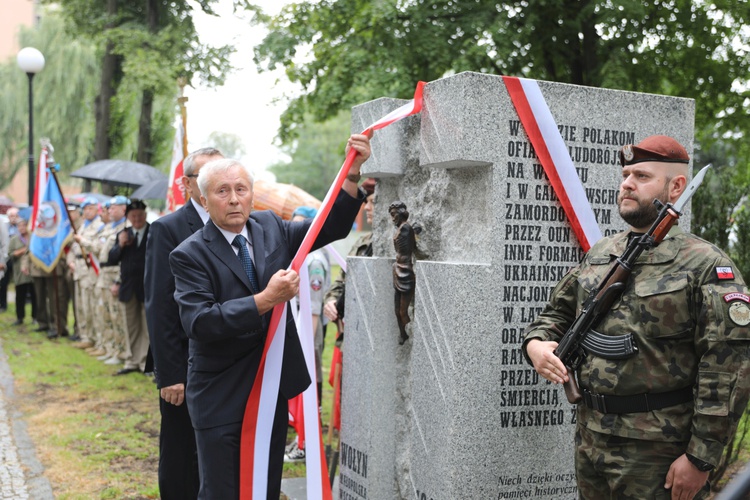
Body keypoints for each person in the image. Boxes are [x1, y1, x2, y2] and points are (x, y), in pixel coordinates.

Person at [522, 135, 750, 499]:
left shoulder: (705, 264)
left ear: (676, 187)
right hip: (591, 437)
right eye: (626, 174)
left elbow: (729, 365)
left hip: (658, 450)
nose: (627, 183)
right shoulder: (602, 253)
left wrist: (700, 458)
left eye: (642, 176)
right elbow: (555, 315)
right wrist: (536, 346)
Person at [170, 133, 370, 499]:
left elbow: (329, 227)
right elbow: (201, 321)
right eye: (222, 191)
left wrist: (352, 173)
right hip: (222, 392)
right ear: (202, 198)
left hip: (271, 387)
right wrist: (265, 299)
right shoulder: (189, 254)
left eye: (241, 189)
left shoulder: (270, 226)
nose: (234, 199)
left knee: (263, 485)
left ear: (251, 192)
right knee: (223, 489)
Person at [144, 147, 223, 500]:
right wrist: (171, 373)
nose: (215, 183)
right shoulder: (168, 229)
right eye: (205, 176)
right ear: (187, 184)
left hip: (226, 361)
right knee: (181, 451)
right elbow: (160, 306)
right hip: (184, 365)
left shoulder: (237, 223)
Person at [284, 205, 331, 463]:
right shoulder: (305, 254)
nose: (296, 229)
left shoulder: (313, 260)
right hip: (303, 329)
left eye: (302, 224)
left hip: (309, 335)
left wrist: (303, 350)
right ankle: (301, 439)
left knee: (309, 388)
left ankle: (306, 444)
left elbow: (313, 309)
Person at [108, 198, 150, 375]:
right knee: (130, 325)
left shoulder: (154, 231)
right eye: (133, 215)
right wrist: (121, 244)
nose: (137, 219)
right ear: (129, 217)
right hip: (128, 287)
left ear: (145, 215)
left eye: (140, 215)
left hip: (148, 287)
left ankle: (145, 363)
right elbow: (112, 258)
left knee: (147, 328)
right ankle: (131, 361)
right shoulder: (124, 233)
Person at [389, 201, 416, 345]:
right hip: (397, 269)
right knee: (396, 309)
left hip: (406, 271)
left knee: (402, 310)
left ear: (401, 213)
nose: (393, 218)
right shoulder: (400, 227)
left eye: (394, 215)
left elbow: (414, 246)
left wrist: (415, 233)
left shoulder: (406, 228)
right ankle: (403, 333)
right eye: (391, 215)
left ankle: (407, 330)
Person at [8, 211, 35, 325]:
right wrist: (20, 251)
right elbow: (9, 254)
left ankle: (35, 317)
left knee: (35, 295)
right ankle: (20, 317)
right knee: (20, 296)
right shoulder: (14, 239)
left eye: (24, 225)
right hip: (20, 272)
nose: (22, 228)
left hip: (32, 271)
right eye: (19, 226)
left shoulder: (32, 237)